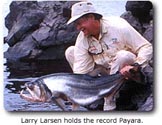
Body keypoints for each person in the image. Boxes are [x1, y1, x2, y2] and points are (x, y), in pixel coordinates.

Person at [65, 1, 153, 111]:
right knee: (70, 51)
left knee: (123, 55)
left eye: (79, 23)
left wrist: (136, 65)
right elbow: (80, 72)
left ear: (91, 17)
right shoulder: (82, 39)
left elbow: (146, 47)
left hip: (127, 71)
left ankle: (109, 101)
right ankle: (92, 94)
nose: (78, 28)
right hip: (104, 72)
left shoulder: (119, 26)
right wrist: (75, 91)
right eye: (76, 24)